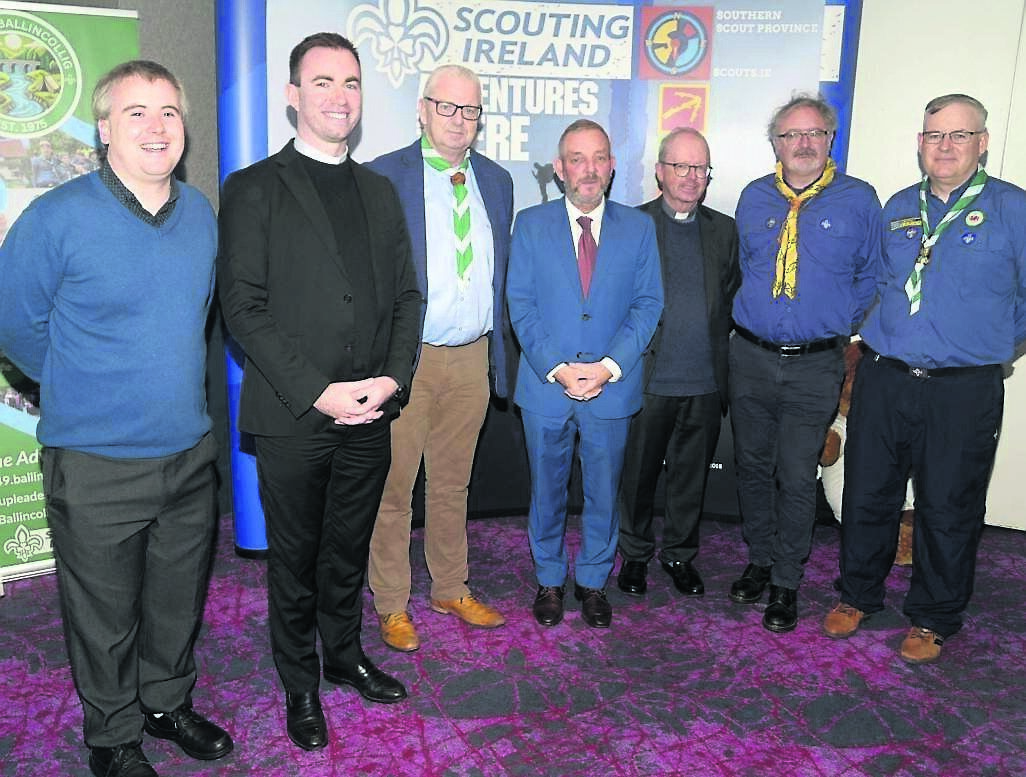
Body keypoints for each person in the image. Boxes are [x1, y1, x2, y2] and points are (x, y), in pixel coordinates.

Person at [0, 61, 231, 777]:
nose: (157, 127)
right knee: (103, 617)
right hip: (95, 461)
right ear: (104, 129)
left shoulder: (200, 216)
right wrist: (80, 383)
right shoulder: (55, 218)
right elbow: (15, 328)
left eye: (168, 111)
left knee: (174, 599)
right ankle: (112, 736)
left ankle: (165, 703)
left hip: (189, 454)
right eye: (136, 112)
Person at [217, 33, 421, 751]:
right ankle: (299, 681)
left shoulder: (380, 190)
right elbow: (242, 307)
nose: (340, 97)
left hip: (373, 408)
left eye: (352, 83)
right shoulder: (253, 188)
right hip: (295, 413)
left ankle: (344, 654)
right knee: (296, 558)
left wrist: (393, 379)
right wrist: (320, 391)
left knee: (348, 547)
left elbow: (406, 295)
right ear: (292, 95)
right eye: (324, 82)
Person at [822, 94, 1026, 663]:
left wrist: (980, 345)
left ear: (982, 143)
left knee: (948, 504)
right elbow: (882, 283)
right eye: (935, 135)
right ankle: (858, 594)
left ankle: (933, 616)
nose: (945, 146)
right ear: (920, 143)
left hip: (963, 387)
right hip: (886, 376)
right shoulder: (897, 206)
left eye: (959, 135)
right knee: (867, 493)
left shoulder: (1013, 209)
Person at [365, 64, 513, 653]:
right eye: (447, 108)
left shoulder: (497, 182)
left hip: (473, 356)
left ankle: (450, 587)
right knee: (394, 489)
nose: (459, 120)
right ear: (422, 109)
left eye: (470, 110)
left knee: (453, 484)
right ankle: (392, 604)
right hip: (407, 359)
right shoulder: (384, 177)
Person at [729, 94, 881, 633]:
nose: (803, 144)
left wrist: (838, 318)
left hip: (816, 365)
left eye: (814, 133)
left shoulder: (859, 200)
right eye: (791, 135)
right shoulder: (752, 198)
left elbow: (873, 274)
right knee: (751, 466)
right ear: (775, 143)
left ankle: (786, 582)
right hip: (748, 356)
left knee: (795, 474)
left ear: (830, 140)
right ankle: (760, 559)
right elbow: (743, 269)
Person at [507, 119, 663, 629]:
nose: (589, 169)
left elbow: (647, 304)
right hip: (546, 387)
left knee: (603, 490)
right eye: (577, 158)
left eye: (599, 157)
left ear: (612, 166)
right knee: (545, 490)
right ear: (559, 169)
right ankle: (549, 578)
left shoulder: (639, 229)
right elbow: (521, 305)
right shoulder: (530, 226)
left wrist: (607, 367)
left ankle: (594, 581)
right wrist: (557, 367)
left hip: (611, 388)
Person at [616, 128, 739, 599]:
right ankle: (634, 555)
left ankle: (679, 555)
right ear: (660, 171)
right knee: (638, 478)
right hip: (647, 380)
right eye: (681, 166)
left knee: (691, 480)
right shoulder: (631, 225)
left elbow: (727, 295)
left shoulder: (724, 230)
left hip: (705, 382)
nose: (691, 177)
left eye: (700, 168)